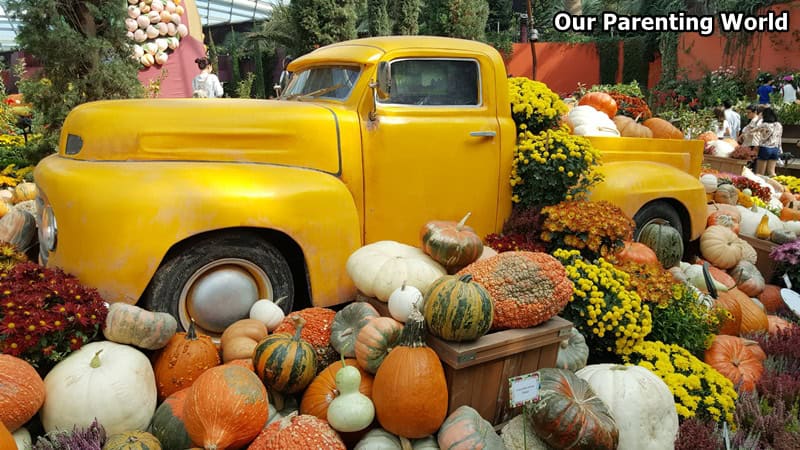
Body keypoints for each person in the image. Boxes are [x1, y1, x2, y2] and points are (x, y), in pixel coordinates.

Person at [752, 107, 783, 177]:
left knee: (760, 173)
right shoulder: (779, 125)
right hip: (775, 149)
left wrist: (758, 119)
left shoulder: (765, 124)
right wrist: (780, 150)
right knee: (772, 173)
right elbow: (779, 138)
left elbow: (752, 130)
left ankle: (760, 187)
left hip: (765, 148)